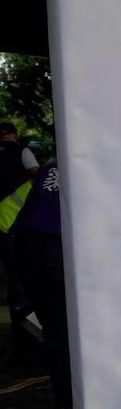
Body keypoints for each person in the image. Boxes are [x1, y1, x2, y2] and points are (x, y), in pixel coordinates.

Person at [11, 159, 71, 409]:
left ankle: (66, 403)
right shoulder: (91, 161)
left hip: (26, 246)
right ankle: (77, 399)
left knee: (56, 328)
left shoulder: (55, 163)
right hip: (56, 247)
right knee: (72, 327)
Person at [0, 122, 40, 348]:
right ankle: (25, 328)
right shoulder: (23, 152)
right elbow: (37, 175)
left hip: (3, 225)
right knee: (22, 274)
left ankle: (18, 323)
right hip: (16, 223)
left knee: (10, 275)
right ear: (15, 135)